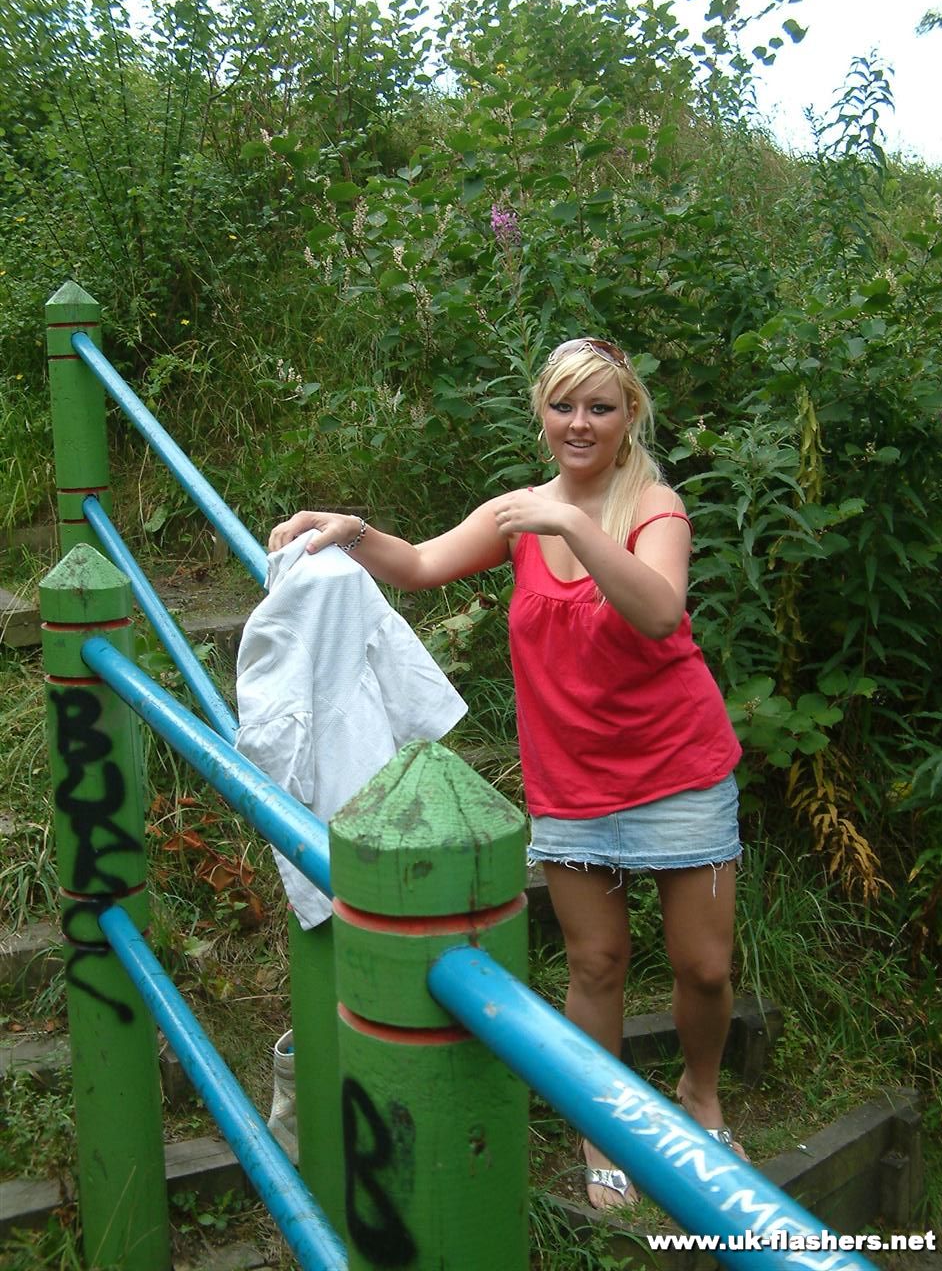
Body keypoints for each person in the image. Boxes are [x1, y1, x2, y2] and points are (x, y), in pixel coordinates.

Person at [267, 337, 745, 1209]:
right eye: (563, 406)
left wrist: (575, 525)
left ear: (629, 415)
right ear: (542, 414)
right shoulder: (519, 511)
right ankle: (604, 1127)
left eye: (599, 407)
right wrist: (352, 531)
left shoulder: (654, 506)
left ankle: (700, 1093)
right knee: (595, 963)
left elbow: (659, 611)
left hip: (679, 768)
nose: (579, 423)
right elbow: (420, 565)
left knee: (704, 969)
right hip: (573, 781)